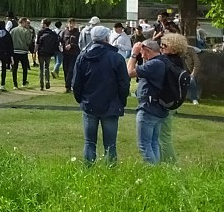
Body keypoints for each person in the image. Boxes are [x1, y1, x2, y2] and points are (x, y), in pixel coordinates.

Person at [72, 25, 129, 164]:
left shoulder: (83, 56)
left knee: (89, 142)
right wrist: (121, 101)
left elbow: (76, 83)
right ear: (106, 38)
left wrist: (81, 99)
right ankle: (110, 171)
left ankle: (88, 170)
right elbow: (124, 84)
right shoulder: (116, 58)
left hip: (89, 103)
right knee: (110, 144)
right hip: (111, 104)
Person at [127, 37, 172, 164]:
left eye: (142, 53)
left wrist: (133, 54)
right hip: (159, 107)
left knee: (144, 145)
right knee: (153, 142)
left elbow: (129, 72)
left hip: (149, 108)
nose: (141, 55)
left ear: (147, 50)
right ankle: (156, 171)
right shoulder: (164, 61)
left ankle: (151, 171)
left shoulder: (154, 64)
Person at [157, 33, 191, 164]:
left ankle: (171, 164)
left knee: (164, 135)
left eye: (164, 45)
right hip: (172, 100)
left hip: (166, 101)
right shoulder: (180, 61)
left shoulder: (168, 62)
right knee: (162, 134)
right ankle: (163, 161)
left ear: (174, 48)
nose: (162, 47)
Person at [10, 17, 34, 88]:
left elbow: (10, 41)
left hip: (14, 51)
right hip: (23, 52)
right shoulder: (26, 31)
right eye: (26, 22)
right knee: (24, 68)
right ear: (23, 22)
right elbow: (28, 42)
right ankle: (24, 82)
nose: (27, 24)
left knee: (15, 68)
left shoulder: (13, 30)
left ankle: (15, 84)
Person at [36, 19, 59, 90]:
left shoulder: (40, 32)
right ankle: (47, 80)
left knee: (41, 68)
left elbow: (37, 43)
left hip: (41, 53)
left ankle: (41, 84)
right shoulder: (53, 33)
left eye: (42, 23)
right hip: (49, 53)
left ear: (44, 24)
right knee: (47, 67)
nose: (41, 24)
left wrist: (35, 51)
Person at [60, 18, 81, 92]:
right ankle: (67, 84)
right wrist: (61, 47)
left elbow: (79, 44)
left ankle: (68, 86)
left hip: (74, 54)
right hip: (65, 54)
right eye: (70, 23)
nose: (71, 25)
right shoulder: (64, 32)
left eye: (73, 23)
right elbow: (61, 41)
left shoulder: (78, 33)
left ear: (75, 24)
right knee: (65, 69)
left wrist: (72, 45)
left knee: (71, 70)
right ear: (67, 24)